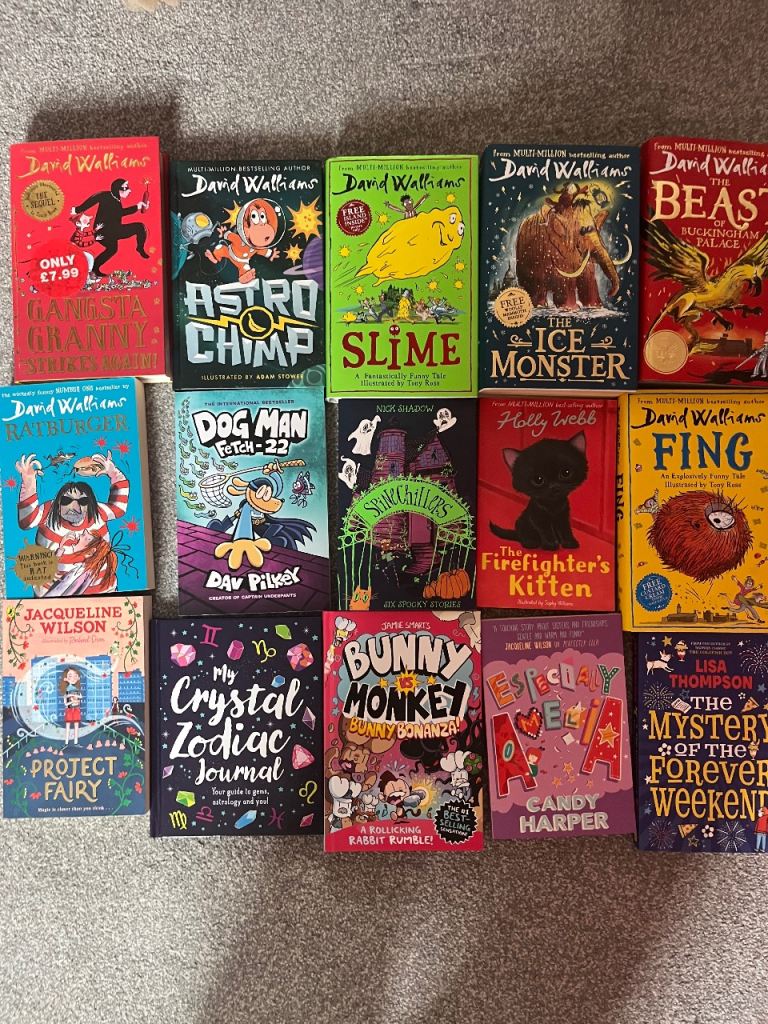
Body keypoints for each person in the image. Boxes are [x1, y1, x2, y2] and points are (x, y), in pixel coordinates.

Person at [72, 178, 148, 277]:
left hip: (114, 229)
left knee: (113, 248)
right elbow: (94, 200)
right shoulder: (107, 196)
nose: (129, 190)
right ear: (117, 189)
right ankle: (94, 269)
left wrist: (141, 206)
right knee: (138, 228)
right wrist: (78, 209)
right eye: (126, 188)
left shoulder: (116, 198)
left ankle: (139, 248)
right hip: (103, 232)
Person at [60, 667, 84, 745]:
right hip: (69, 710)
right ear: (65, 678)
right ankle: (66, 743)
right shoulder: (66, 691)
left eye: (75, 676)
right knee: (68, 726)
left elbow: (80, 698)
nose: (73, 678)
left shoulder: (76, 690)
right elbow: (65, 703)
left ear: (78, 677)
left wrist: (75, 699)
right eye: (70, 676)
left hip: (76, 709)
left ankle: (76, 742)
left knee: (76, 726)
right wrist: (71, 700)